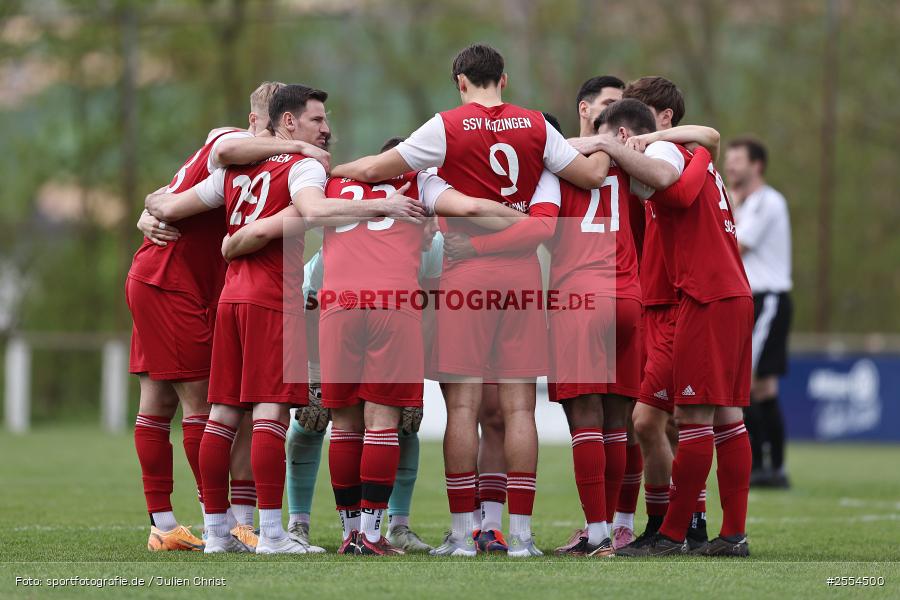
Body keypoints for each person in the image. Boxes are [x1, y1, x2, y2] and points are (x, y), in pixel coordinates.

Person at [333, 43, 610, 558]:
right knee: (520, 407)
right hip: (524, 276)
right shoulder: (536, 127)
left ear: (460, 82)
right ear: (503, 79)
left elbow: (374, 170)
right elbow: (592, 176)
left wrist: (323, 166)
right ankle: (522, 538)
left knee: (460, 406)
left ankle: (463, 536)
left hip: (466, 275)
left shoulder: (442, 128)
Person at [145, 84, 426, 554]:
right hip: (271, 297)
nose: (327, 128)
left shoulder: (237, 166)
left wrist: (153, 220)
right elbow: (314, 211)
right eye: (318, 119)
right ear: (289, 123)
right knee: (270, 412)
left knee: (222, 414)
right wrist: (383, 203)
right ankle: (274, 535)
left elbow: (166, 204)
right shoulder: (304, 165)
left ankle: (218, 533)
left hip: (230, 297)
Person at [127, 81, 326, 551]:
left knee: (162, 405)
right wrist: (296, 147)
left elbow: (168, 200)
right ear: (266, 122)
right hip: (175, 283)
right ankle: (225, 522)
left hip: (173, 280)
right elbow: (226, 151)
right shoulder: (230, 144)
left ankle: (168, 522)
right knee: (210, 406)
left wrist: (149, 210)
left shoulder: (243, 161)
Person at [590, 76, 753, 557]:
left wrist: (621, 145)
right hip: (708, 295)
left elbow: (674, 191)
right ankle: (729, 533)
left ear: (662, 118)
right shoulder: (692, 152)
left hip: (704, 295)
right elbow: (707, 145)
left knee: (697, 416)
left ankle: (677, 531)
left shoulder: (670, 154)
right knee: (709, 418)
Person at [546, 99, 650, 557]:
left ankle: (598, 532)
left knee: (585, 422)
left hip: (578, 297)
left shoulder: (557, 166)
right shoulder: (629, 170)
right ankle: (618, 527)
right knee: (617, 424)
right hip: (628, 296)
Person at [725, 137, 793, 488]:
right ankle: (772, 468)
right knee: (762, 387)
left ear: (757, 166)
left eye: (738, 160)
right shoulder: (737, 202)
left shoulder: (768, 202)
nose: (731, 166)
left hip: (768, 299)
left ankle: (764, 466)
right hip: (752, 299)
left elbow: (735, 244)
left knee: (749, 383)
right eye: (729, 160)